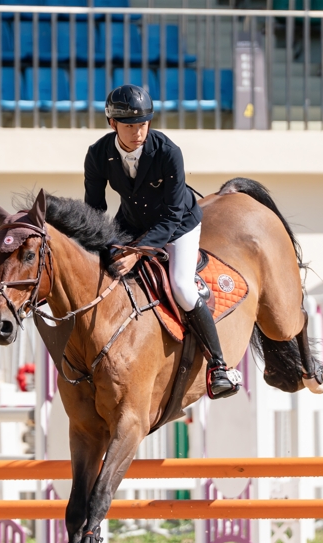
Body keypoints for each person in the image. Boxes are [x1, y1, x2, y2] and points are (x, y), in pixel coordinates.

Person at [84, 84, 239, 399]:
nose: (138, 132)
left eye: (143, 124)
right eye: (129, 126)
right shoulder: (98, 154)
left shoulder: (168, 152)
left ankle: (219, 367)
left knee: (181, 286)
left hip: (179, 225)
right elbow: (95, 210)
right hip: (129, 224)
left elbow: (170, 216)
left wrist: (137, 253)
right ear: (112, 124)